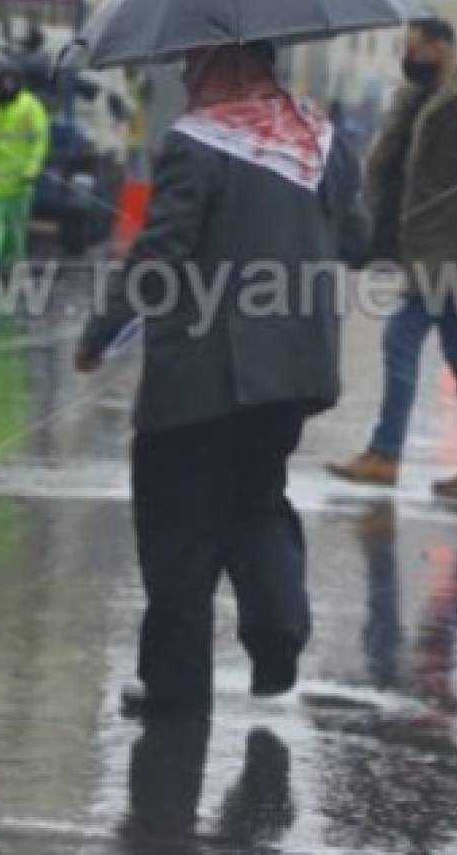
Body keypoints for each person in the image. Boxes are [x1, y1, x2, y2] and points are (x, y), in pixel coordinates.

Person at [76, 40, 369, 717]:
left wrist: (101, 332)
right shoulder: (321, 139)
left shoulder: (198, 143)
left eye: (195, 60)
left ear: (227, 63)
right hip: (293, 371)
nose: (184, 72)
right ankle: (277, 638)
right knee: (256, 501)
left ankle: (176, 690)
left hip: (200, 377)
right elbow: (358, 241)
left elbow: (162, 252)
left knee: (179, 525)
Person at [328, 18, 457, 499]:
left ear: (440, 48)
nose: (406, 56)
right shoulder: (418, 98)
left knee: (401, 338)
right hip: (427, 246)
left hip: (452, 249)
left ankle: (385, 453)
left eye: (413, 48)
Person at [0, 66, 50, 265]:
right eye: (4, 82)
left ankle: (10, 265)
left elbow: (40, 140)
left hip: (20, 182)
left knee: (15, 230)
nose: (7, 87)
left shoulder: (30, 106)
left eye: (11, 82)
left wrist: (32, 168)